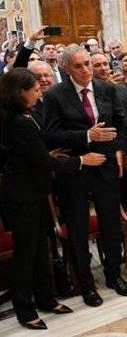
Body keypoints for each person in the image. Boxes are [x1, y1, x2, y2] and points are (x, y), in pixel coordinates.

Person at [0, 68, 106, 330]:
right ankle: (25, 310)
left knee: (43, 250)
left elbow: (44, 141)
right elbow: (43, 159)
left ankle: (47, 299)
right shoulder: (16, 121)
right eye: (35, 90)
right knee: (26, 254)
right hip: (22, 197)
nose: (40, 92)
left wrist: (82, 138)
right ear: (20, 93)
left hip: (37, 192)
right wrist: (82, 160)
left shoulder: (30, 114)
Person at [43, 45, 127, 306]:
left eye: (88, 64)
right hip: (75, 170)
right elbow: (51, 135)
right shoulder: (55, 96)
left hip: (105, 165)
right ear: (66, 68)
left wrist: (118, 149)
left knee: (110, 223)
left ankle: (114, 275)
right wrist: (86, 136)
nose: (86, 70)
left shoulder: (107, 88)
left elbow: (121, 123)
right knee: (79, 229)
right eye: (78, 66)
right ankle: (86, 285)